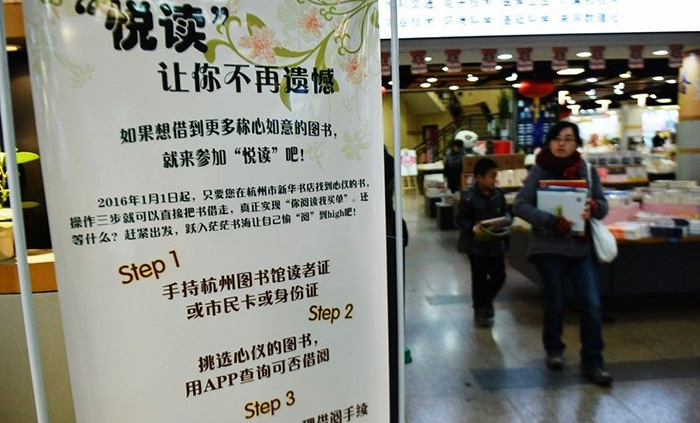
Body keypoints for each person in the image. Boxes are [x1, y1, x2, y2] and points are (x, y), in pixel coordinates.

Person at [513, 121, 613, 387]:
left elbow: (603, 206)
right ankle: (554, 349)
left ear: (576, 143)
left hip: (581, 247)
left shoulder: (587, 171)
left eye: (568, 139)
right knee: (554, 302)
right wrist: (550, 221)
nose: (561, 143)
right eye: (557, 138)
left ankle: (593, 361)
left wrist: (593, 207)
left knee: (592, 304)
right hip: (549, 247)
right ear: (549, 142)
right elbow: (520, 205)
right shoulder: (539, 171)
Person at [455, 157, 508, 327]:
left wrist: (507, 221)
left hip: (495, 243)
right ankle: (480, 310)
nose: (494, 180)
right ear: (478, 178)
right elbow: (460, 219)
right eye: (491, 176)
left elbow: (506, 213)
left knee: (499, 276)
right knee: (479, 279)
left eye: (495, 176)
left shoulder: (499, 194)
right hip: (475, 246)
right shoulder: (468, 196)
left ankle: (486, 301)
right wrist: (472, 228)